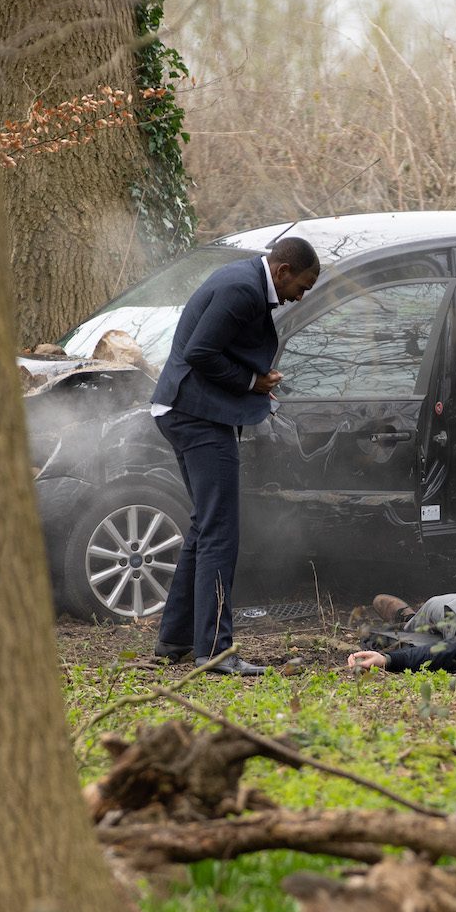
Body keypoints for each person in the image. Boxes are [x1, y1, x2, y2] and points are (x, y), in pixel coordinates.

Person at [150, 237, 320, 676]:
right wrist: (252, 381)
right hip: (195, 415)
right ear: (282, 272)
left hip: (183, 409)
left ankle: (175, 639)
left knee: (206, 525)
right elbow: (200, 352)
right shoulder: (242, 289)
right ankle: (215, 651)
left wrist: (253, 379)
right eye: (302, 286)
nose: (300, 296)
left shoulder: (246, 282)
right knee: (221, 532)